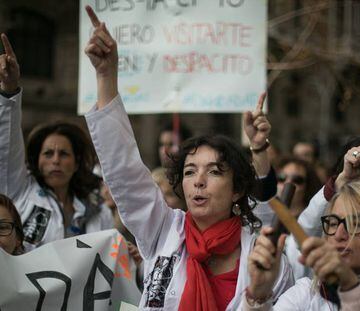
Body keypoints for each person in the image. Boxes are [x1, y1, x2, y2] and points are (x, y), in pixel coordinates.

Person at [83, 6, 293, 310]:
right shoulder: (165, 229)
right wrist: (106, 75)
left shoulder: (265, 257)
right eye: (190, 172)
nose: (199, 182)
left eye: (214, 172)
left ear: (236, 189)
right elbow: (124, 170)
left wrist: (258, 296)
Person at [0, 33, 113, 251]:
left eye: (64, 154)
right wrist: (9, 91)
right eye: (48, 154)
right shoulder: (20, 192)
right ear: (37, 160)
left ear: (77, 162)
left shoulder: (98, 210)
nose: (55, 161)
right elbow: (6, 148)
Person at [243, 181, 360, 310]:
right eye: (332, 223)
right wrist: (258, 294)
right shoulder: (306, 294)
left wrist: (350, 285)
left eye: (355, 223)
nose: (339, 234)